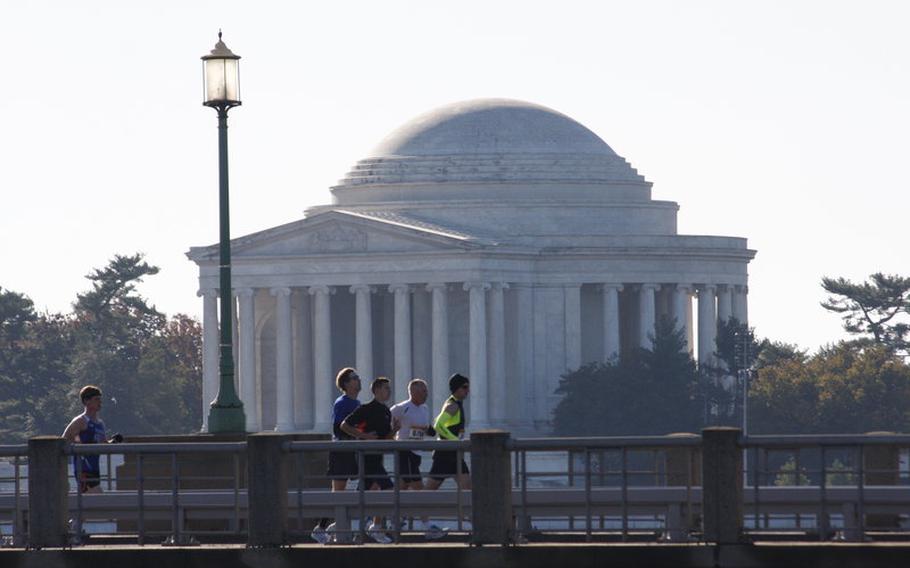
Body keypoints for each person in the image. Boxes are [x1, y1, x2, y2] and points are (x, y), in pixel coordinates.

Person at [389, 379, 448, 540]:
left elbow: (427, 428)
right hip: (404, 452)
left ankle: (389, 518)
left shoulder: (424, 408)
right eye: (423, 391)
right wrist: (392, 434)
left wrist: (430, 431)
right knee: (419, 489)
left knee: (401, 486)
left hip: (416, 454)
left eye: (426, 391)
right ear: (413, 392)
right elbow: (387, 421)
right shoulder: (401, 408)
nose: (426, 394)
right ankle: (427, 526)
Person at [341, 376, 396, 544]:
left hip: (377, 457)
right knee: (387, 489)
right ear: (377, 390)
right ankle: (376, 528)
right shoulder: (366, 408)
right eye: (386, 388)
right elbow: (344, 425)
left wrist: (395, 430)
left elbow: (385, 437)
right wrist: (364, 436)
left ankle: (335, 524)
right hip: (366, 457)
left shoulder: (386, 411)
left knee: (361, 496)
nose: (389, 391)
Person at [312, 367, 362, 544]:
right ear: (346, 384)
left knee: (364, 484)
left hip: (352, 451)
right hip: (341, 452)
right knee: (338, 491)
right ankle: (322, 528)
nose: (358, 380)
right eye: (354, 378)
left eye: (357, 378)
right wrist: (359, 434)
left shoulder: (357, 403)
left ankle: (333, 524)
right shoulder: (342, 402)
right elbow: (338, 427)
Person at [62, 385, 122, 493]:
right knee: (97, 497)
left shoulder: (100, 424)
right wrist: (77, 444)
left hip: (95, 469)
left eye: (100, 399)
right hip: (83, 469)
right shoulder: (80, 421)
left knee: (91, 503)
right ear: (86, 401)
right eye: (96, 399)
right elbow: (64, 440)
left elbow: (104, 444)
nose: (100, 402)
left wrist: (114, 441)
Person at [425, 374, 471, 491]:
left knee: (468, 488)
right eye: (465, 387)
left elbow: (437, 421)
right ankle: (411, 507)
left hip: (454, 454)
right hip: (445, 455)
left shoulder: (455, 404)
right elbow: (438, 425)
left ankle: (471, 509)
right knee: (429, 491)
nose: (468, 391)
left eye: (468, 387)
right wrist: (454, 440)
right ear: (457, 388)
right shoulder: (453, 405)